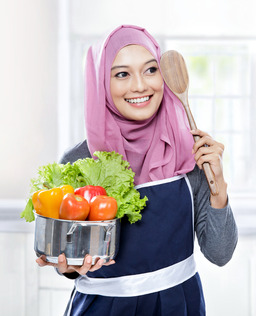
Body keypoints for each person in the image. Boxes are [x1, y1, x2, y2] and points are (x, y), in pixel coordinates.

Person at [36, 24, 238, 315]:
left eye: (151, 70)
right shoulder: (79, 161)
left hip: (179, 305)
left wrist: (218, 185)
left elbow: (220, 254)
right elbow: (69, 260)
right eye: (122, 74)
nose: (141, 85)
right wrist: (69, 268)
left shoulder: (190, 151)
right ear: (101, 84)